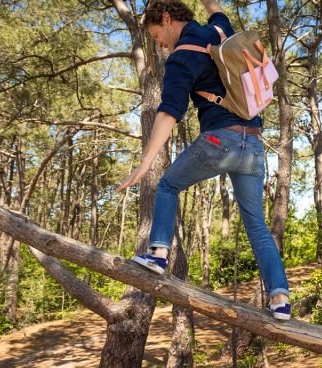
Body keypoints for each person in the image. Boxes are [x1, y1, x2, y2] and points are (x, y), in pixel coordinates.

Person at [115, 0, 291, 320]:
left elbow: (169, 112)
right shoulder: (218, 29)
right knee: (257, 225)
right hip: (252, 144)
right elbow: (214, 6)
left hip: (218, 141)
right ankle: (280, 297)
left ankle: (157, 254)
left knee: (168, 185)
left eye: (157, 35)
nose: (160, 44)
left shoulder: (183, 56)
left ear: (167, 19)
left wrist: (145, 163)